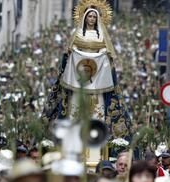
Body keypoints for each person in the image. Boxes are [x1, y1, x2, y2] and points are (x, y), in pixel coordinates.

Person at [43, 0, 131, 141]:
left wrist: (101, 54)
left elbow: (107, 53)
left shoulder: (101, 35)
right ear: (84, 17)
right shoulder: (77, 33)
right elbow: (69, 53)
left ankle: (97, 133)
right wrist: (75, 54)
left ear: (98, 19)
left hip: (97, 81)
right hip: (79, 79)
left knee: (97, 108)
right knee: (76, 105)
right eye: (89, 16)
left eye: (94, 17)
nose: (92, 19)